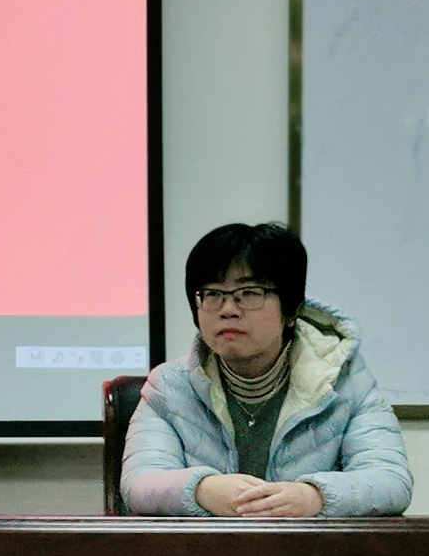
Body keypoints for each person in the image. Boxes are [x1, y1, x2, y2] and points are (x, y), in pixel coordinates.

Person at [122, 221, 411, 517]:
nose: (228, 309)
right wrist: (203, 490)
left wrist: (315, 496)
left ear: (291, 310)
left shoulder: (344, 381)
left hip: (308, 544)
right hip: (205, 546)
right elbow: (139, 484)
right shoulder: (170, 386)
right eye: (212, 294)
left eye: (249, 293)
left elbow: (390, 481)